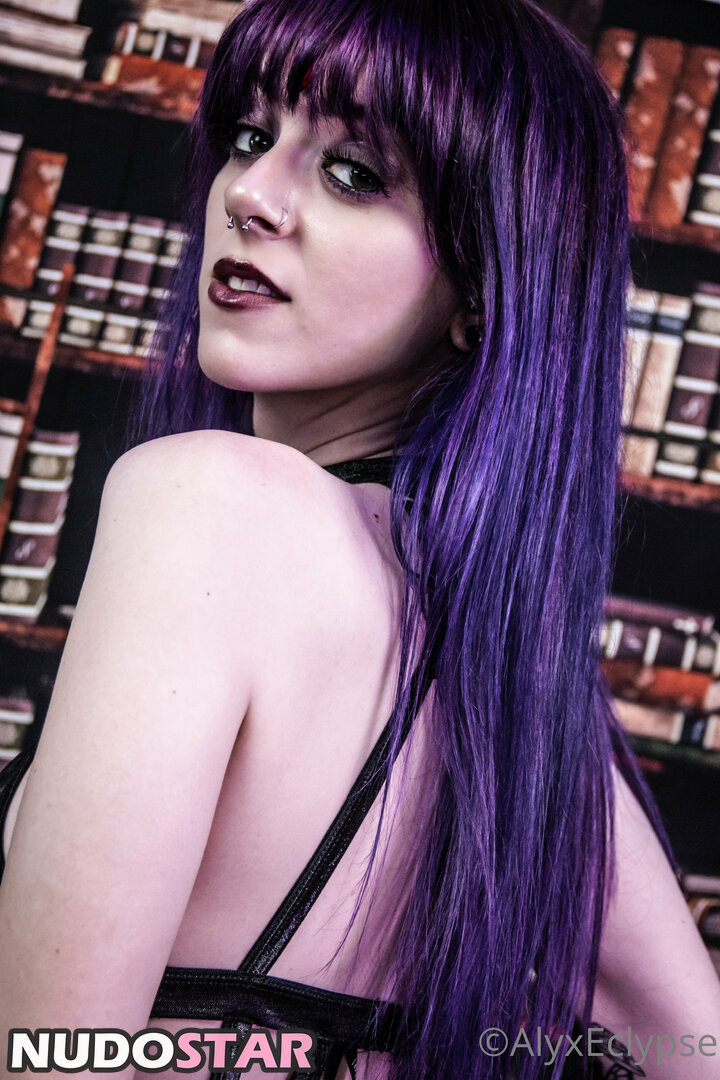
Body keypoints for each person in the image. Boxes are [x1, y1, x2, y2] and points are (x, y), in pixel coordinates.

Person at [1, 0, 719, 1077]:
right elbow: (695, 1045)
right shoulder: (520, 688)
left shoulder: (204, 504)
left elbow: (47, 1059)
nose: (249, 194)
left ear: (482, 291)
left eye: (352, 173)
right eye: (251, 136)